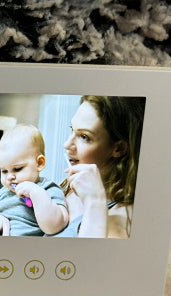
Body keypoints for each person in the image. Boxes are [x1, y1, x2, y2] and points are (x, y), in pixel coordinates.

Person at [58, 95, 144, 238]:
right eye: (71, 129)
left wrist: (94, 203)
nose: (66, 144)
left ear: (119, 148)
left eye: (84, 137)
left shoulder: (123, 218)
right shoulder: (67, 188)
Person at [0, 124, 68, 236]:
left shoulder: (49, 189)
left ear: (39, 163)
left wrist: (36, 193)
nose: (9, 176)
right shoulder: (3, 193)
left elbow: (55, 226)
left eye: (17, 169)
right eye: (4, 171)